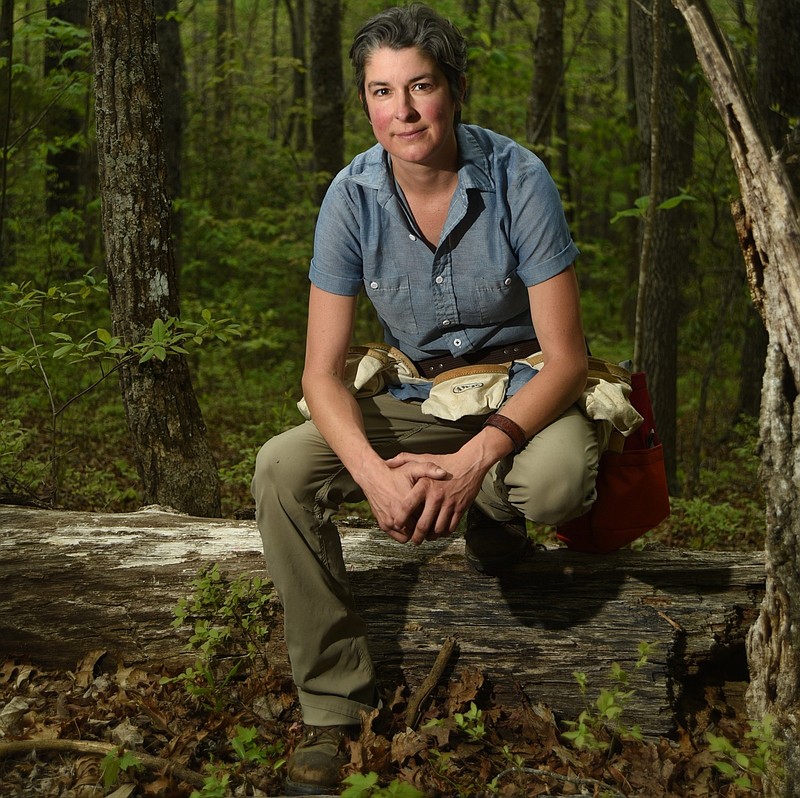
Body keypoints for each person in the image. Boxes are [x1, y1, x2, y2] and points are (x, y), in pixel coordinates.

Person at [251, 4, 607, 793]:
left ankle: (490, 512)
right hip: (421, 393)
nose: (403, 112)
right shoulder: (351, 196)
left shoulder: (518, 177)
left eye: (421, 86)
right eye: (382, 92)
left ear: (456, 89)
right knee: (281, 467)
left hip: (523, 384)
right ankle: (332, 705)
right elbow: (320, 374)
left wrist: (479, 459)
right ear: (365, 102)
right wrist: (377, 478)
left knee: (555, 483)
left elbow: (570, 359)